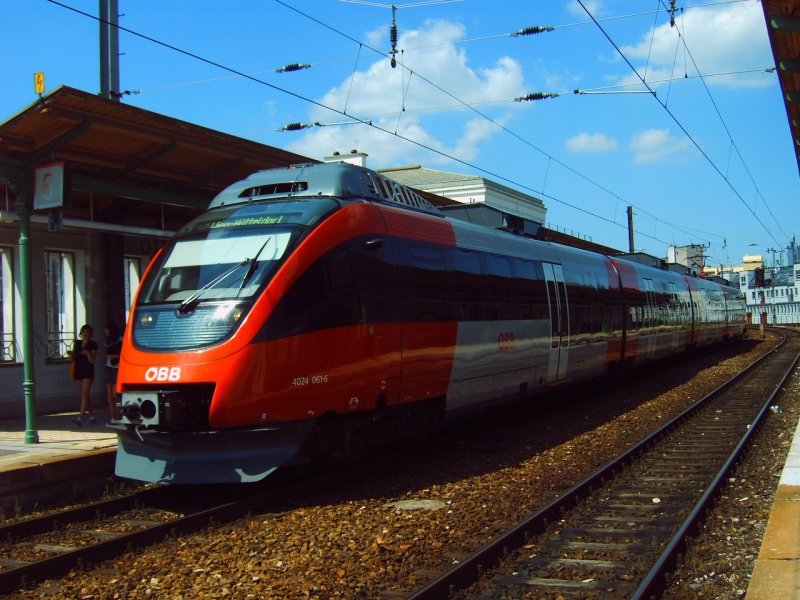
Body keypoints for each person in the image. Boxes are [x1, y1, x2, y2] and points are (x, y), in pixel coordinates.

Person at [69, 324, 98, 425]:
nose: (85, 333)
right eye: (84, 331)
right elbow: (73, 357)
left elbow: (92, 361)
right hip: (78, 370)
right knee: (84, 395)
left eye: (88, 332)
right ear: (81, 333)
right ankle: (92, 416)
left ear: (90, 334)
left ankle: (80, 417)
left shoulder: (93, 344)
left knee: (84, 393)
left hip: (88, 371)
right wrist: (71, 355)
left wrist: (88, 353)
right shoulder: (77, 343)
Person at [104, 321, 122, 420]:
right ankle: (113, 417)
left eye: (106, 329)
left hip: (117, 367)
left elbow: (123, 354)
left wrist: (114, 356)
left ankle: (118, 415)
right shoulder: (107, 341)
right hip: (108, 367)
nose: (105, 331)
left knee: (114, 394)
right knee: (109, 395)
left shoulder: (120, 340)